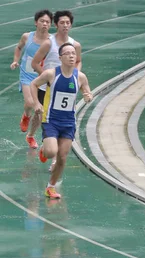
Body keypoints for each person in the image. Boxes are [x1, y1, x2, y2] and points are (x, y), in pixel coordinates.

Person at [30, 43, 93, 200]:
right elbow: (34, 84)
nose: (72, 56)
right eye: (68, 53)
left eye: (73, 53)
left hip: (68, 123)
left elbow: (87, 90)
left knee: (62, 158)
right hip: (51, 120)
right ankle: (45, 150)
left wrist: (88, 96)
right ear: (60, 57)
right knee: (52, 152)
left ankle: (50, 187)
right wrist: (37, 104)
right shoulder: (51, 74)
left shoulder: (80, 76)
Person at [32, 10, 82, 171]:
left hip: (65, 89)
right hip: (46, 87)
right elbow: (35, 63)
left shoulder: (75, 45)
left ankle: (54, 159)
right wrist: (48, 79)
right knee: (41, 117)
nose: (65, 25)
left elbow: (79, 63)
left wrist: (76, 76)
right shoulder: (49, 43)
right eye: (62, 23)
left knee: (60, 119)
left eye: (68, 23)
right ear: (56, 25)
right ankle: (42, 144)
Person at [10, 10, 52, 149]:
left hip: (42, 77)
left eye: (47, 22)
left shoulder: (51, 41)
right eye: (42, 21)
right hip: (26, 74)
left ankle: (30, 136)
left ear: (51, 25)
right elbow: (18, 48)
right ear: (36, 22)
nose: (45, 24)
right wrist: (16, 60)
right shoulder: (27, 37)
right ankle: (26, 116)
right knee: (30, 102)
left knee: (39, 111)